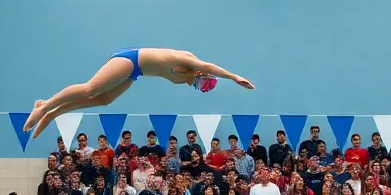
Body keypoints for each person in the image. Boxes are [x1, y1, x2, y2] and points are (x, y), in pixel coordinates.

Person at [23, 48, 254, 138]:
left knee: (104, 100)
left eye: (199, 90)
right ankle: (44, 106)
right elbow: (211, 65)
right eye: (200, 83)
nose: (194, 86)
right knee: (91, 87)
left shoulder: (185, 79)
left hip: (136, 73)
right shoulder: (188, 61)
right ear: (202, 74)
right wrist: (234, 77)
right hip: (129, 60)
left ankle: (54, 112)